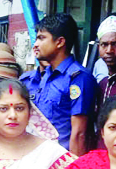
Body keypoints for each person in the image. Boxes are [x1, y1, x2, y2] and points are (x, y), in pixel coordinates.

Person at [25, 13, 98, 156]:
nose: (36, 44)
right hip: (37, 159)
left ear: (60, 42)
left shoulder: (78, 78)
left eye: (41, 38)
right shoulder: (46, 75)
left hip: (61, 162)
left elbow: (79, 134)